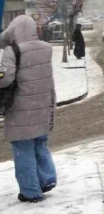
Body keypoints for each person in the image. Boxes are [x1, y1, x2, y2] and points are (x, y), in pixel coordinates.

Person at [0, 15, 57, 203]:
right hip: (43, 106)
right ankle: (47, 179)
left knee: (23, 150)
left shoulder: (12, 50)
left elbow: (5, 79)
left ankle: (31, 191)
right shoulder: (46, 48)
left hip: (21, 110)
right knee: (40, 144)